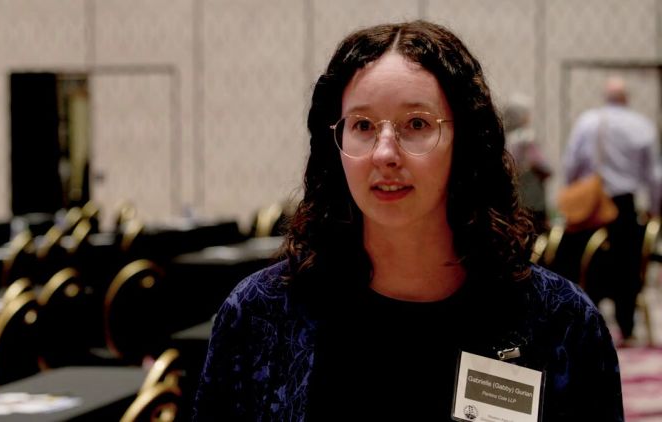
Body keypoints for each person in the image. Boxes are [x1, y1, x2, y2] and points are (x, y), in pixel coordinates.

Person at [194, 21, 623, 420]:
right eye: (363, 125)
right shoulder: (260, 315)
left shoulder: (560, 323)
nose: (384, 153)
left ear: (465, 142)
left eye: (416, 123)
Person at [563, 76, 662, 344]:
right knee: (627, 269)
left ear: (605, 97)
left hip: (591, 205)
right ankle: (627, 328)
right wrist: (654, 210)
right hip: (623, 205)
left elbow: (570, 164)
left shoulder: (588, 121)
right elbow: (654, 176)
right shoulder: (641, 125)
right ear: (626, 98)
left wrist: (576, 193)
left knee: (583, 264)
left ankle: (582, 324)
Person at [503, 94, 552, 232]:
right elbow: (543, 166)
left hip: (514, 200)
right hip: (533, 200)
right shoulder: (527, 138)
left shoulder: (504, 139)